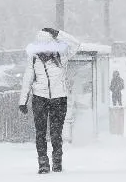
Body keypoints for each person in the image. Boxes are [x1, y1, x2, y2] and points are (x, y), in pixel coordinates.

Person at [18, 26, 80, 174]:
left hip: (59, 99)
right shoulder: (34, 59)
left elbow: (76, 44)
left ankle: (57, 162)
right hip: (40, 98)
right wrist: (23, 100)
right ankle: (43, 163)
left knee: (56, 133)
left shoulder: (62, 56)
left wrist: (59, 34)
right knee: (40, 132)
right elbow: (28, 78)